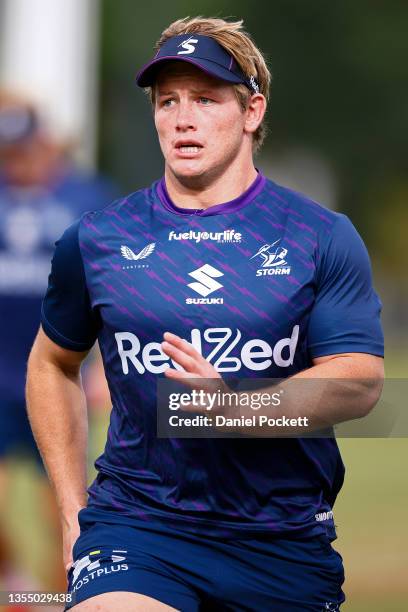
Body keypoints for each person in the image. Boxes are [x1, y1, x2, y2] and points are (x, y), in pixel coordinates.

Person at [26, 17, 384, 611]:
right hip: (138, 527)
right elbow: (52, 364)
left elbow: (361, 382)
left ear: (251, 112)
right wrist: (71, 508)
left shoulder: (320, 237)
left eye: (205, 99)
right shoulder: (97, 239)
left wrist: (235, 407)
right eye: (167, 101)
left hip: (281, 541)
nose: (182, 118)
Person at [0, 90, 116, 596]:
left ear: (44, 141)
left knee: (64, 511)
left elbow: (118, 290)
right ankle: (14, 578)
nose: (16, 163)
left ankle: (58, 600)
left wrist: (104, 368)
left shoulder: (87, 200)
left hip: (58, 371)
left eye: (23, 150)